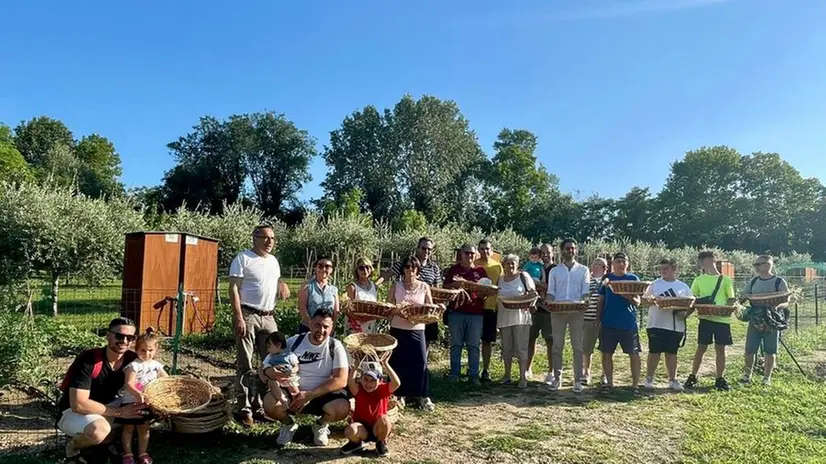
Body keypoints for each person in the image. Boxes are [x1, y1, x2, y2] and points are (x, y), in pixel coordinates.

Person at [57, 317, 145, 464]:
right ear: (108, 336)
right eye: (119, 336)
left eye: (130, 337)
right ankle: (72, 447)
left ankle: (109, 443)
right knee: (99, 431)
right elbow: (79, 404)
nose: (124, 341)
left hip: (108, 406)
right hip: (73, 412)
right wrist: (120, 412)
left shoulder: (132, 359)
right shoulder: (89, 359)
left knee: (144, 411)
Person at [228, 224, 290, 426]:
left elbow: (273, 280)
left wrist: (282, 284)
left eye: (272, 238)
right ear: (255, 238)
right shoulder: (243, 258)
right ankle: (244, 408)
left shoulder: (273, 261)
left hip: (268, 315)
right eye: (265, 237)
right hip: (248, 314)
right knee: (245, 362)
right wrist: (238, 316)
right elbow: (234, 289)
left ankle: (263, 405)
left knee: (270, 362)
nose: (270, 241)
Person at [263, 308, 350, 447]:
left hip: (320, 395)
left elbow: (341, 380)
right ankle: (288, 425)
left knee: (342, 408)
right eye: (317, 325)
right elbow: (268, 363)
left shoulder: (335, 346)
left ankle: (321, 425)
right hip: (292, 392)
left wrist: (309, 395)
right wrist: (270, 372)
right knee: (269, 404)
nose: (321, 330)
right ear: (310, 324)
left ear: (332, 327)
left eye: (326, 327)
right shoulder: (294, 342)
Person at [387, 255, 435, 411]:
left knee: (420, 362)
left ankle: (421, 395)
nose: (410, 270)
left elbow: (430, 308)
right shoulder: (396, 286)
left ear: (418, 270)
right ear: (403, 269)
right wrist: (399, 311)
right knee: (397, 362)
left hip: (417, 329)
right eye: (407, 266)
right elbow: (388, 308)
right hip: (398, 329)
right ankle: (399, 394)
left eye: (413, 267)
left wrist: (417, 316)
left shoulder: (424, 287)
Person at [684, 251, 737, 391]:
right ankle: (693, 376)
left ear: (714, 261)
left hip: (722, 319)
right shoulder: (698, 280)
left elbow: (731, 298)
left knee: (720, 349)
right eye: (703, 261)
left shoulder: (725, 279)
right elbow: (692, 299)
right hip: (705, 318)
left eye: (708, 260)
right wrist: (686, 313)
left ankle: (720, 378)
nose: (705, 263)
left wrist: (732, 307)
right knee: (701, 347)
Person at [545, 239, 590, 393]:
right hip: (558, 311)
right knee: (557, 345)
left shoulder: (584, 270)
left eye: (572, 248)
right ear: (561, 250)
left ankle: (577, 380)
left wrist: (586, 301)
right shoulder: (555, 271)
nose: (570, 251)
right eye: (567, 248)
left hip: (577, 311)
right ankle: (557, 379)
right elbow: (551, 292)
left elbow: (586, 291)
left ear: (575, 250)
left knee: (577, 346)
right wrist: (548, 302)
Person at [642, 258, 692, 392]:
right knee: (654, 352)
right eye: (661, 268)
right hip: (656, 323)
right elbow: (644, 301)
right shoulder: (654, 284)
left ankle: (672, 380)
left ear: (674, 269)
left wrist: (685, 314)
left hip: (675, 325)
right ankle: (649, 378)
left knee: (672, 353)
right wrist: (652, 301)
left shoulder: (683, 286)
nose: (663, 271)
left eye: (666, 268)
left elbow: (690, 305)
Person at [119, 327, 167, 464]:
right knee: (128, 429)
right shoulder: (134, 365)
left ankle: (142, 453)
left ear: (156, 350)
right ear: (136, 349)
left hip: (147, 402)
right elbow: (129, 383)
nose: (147, 354)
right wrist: (138, 394)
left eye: (150, 350)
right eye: (143, 350)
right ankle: (127, 454)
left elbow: (166, 380)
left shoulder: (156, 365)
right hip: (131, 402)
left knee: (144, 428)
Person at [597, 253, 643, 391]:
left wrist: (625, 295)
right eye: (618, 261)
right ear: (613, 264)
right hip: (608, 323)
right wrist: (598, 319)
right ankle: (610, 383)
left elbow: (638, 302)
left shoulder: (633, 279)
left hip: (628, 323)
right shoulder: (607, 279)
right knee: (606, 353)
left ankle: (635, 385)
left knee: (634, 354)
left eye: (624, 261)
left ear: (627, 264)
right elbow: (601, 300)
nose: (621, 264)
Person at [740, 255, 789, 385]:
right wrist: (743, 298)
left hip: (772, 320)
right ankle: (747, 376)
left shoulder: (779, 282)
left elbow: (786, 302)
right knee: (750, 349)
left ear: (768, 264)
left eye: (758, 264)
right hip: (755, 319)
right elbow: (743, 298)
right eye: (755, 265)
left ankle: (767, 378)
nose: (756, 267)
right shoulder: (753, 282)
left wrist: (776, 307)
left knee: (770, 350)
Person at [444, 243, 488, 386]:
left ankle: (473, 375)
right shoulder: (454, 270)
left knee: (474, 346)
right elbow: (445, 288)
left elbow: (486, 291)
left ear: (475, 255)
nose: (469, 255)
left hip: (476, 313)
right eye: (466, 253)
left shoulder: (481, 271)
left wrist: (483, 292)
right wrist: (456, 285)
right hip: (456, 312)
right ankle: (454, 374)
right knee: (456, 345)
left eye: (472, 253)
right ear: (461, 254)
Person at [340, 358, 401, 457]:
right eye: (366, 379)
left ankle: (380, 442)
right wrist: (355, 366)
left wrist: (385, 364)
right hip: (362, 427)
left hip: (377, 428)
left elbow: (397, 383)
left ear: (380, 380)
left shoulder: (383, 389)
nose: (368, 384)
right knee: (350, 430)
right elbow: (351, 382)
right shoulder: (359, 389)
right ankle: (356, 443)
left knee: (384, 419)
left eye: (373, 380)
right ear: (361, 378)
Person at [390, 237, 444, 346]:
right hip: (404, 315)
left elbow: (437, 289)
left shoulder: (434, 267)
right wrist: (374, 286)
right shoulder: (407, 263)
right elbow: (387, 274)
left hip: (426, 310)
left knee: (425, 344)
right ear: (418, 248)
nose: (426, 251)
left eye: (429, 249)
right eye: (424, 248)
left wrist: (436, 307)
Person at [496, 254, 537, 389]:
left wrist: (519, 300)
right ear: (504, 264)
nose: (511, 266)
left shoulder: (523, 277)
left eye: (513, 263)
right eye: (508, 263)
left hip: (522, 317)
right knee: (506, 348)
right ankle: (507, 375)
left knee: (521, 348)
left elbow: (533, 294)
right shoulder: (500, 279)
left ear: (517, 264)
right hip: (504, 317)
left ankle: (522, 377)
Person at [475, 239, 503, 383]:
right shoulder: (474, 265)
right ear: (478, 250)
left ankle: (485, 370)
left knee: (487, 341)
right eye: (482, 249)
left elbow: (500, 286)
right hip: (474, 308)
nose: (485, 251)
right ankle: (473, 369)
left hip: (491, 308)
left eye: (487, 249)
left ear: (492, 250)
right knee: (473, 342)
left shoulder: (497, 266)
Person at [527, 243, 556, 382]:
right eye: (542, 252)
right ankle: (527, 369)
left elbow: (553, 288)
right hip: (533, 308)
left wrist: (537, 284)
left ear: (553, 253)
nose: (545, 255)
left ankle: (551, 372)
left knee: (550, 341)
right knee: (530, 339)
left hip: (549, 310)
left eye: (547, 252)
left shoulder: (555, 269)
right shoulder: (534, 267)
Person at [582, 258, 608, 386]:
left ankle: (604, 375)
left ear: (605, 267)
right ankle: (586, 373)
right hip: (588, 318)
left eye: (600, 264)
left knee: (605, 349)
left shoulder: (608, 281)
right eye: (594, 263)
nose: (596, 266)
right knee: (587, 348)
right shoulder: (586, 280)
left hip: (605, 320)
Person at [297, 257, 340, 334]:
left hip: (326, 330)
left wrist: (332, 326)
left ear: (331, 270)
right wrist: (312, 325)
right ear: (315, 268)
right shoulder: (307, 285)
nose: (323, 269)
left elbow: (336, 311)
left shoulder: (334, 289)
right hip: (308, 328)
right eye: (320, 266)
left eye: (327, 266)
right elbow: (302, 307)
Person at [261, 332, 300, 406]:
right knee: (273, 385)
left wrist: (291, 371)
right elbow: (264, 365)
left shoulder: (290, 355)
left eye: (269, 347)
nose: (267, 349)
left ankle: (297, 405)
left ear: (278, 345)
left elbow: (296, 366)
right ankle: (283, 400)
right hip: (276, 378)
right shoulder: (270, 356)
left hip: (288, 377)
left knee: (294, 390)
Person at [346, 257, 380, 334]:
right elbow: (347, 309)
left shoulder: (373, 287)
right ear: (356, 270)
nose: (365, 270)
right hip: (356, 327)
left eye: (367, 267)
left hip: (370, 326)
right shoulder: (352, 287)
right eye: (361, 268)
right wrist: (361, 318)